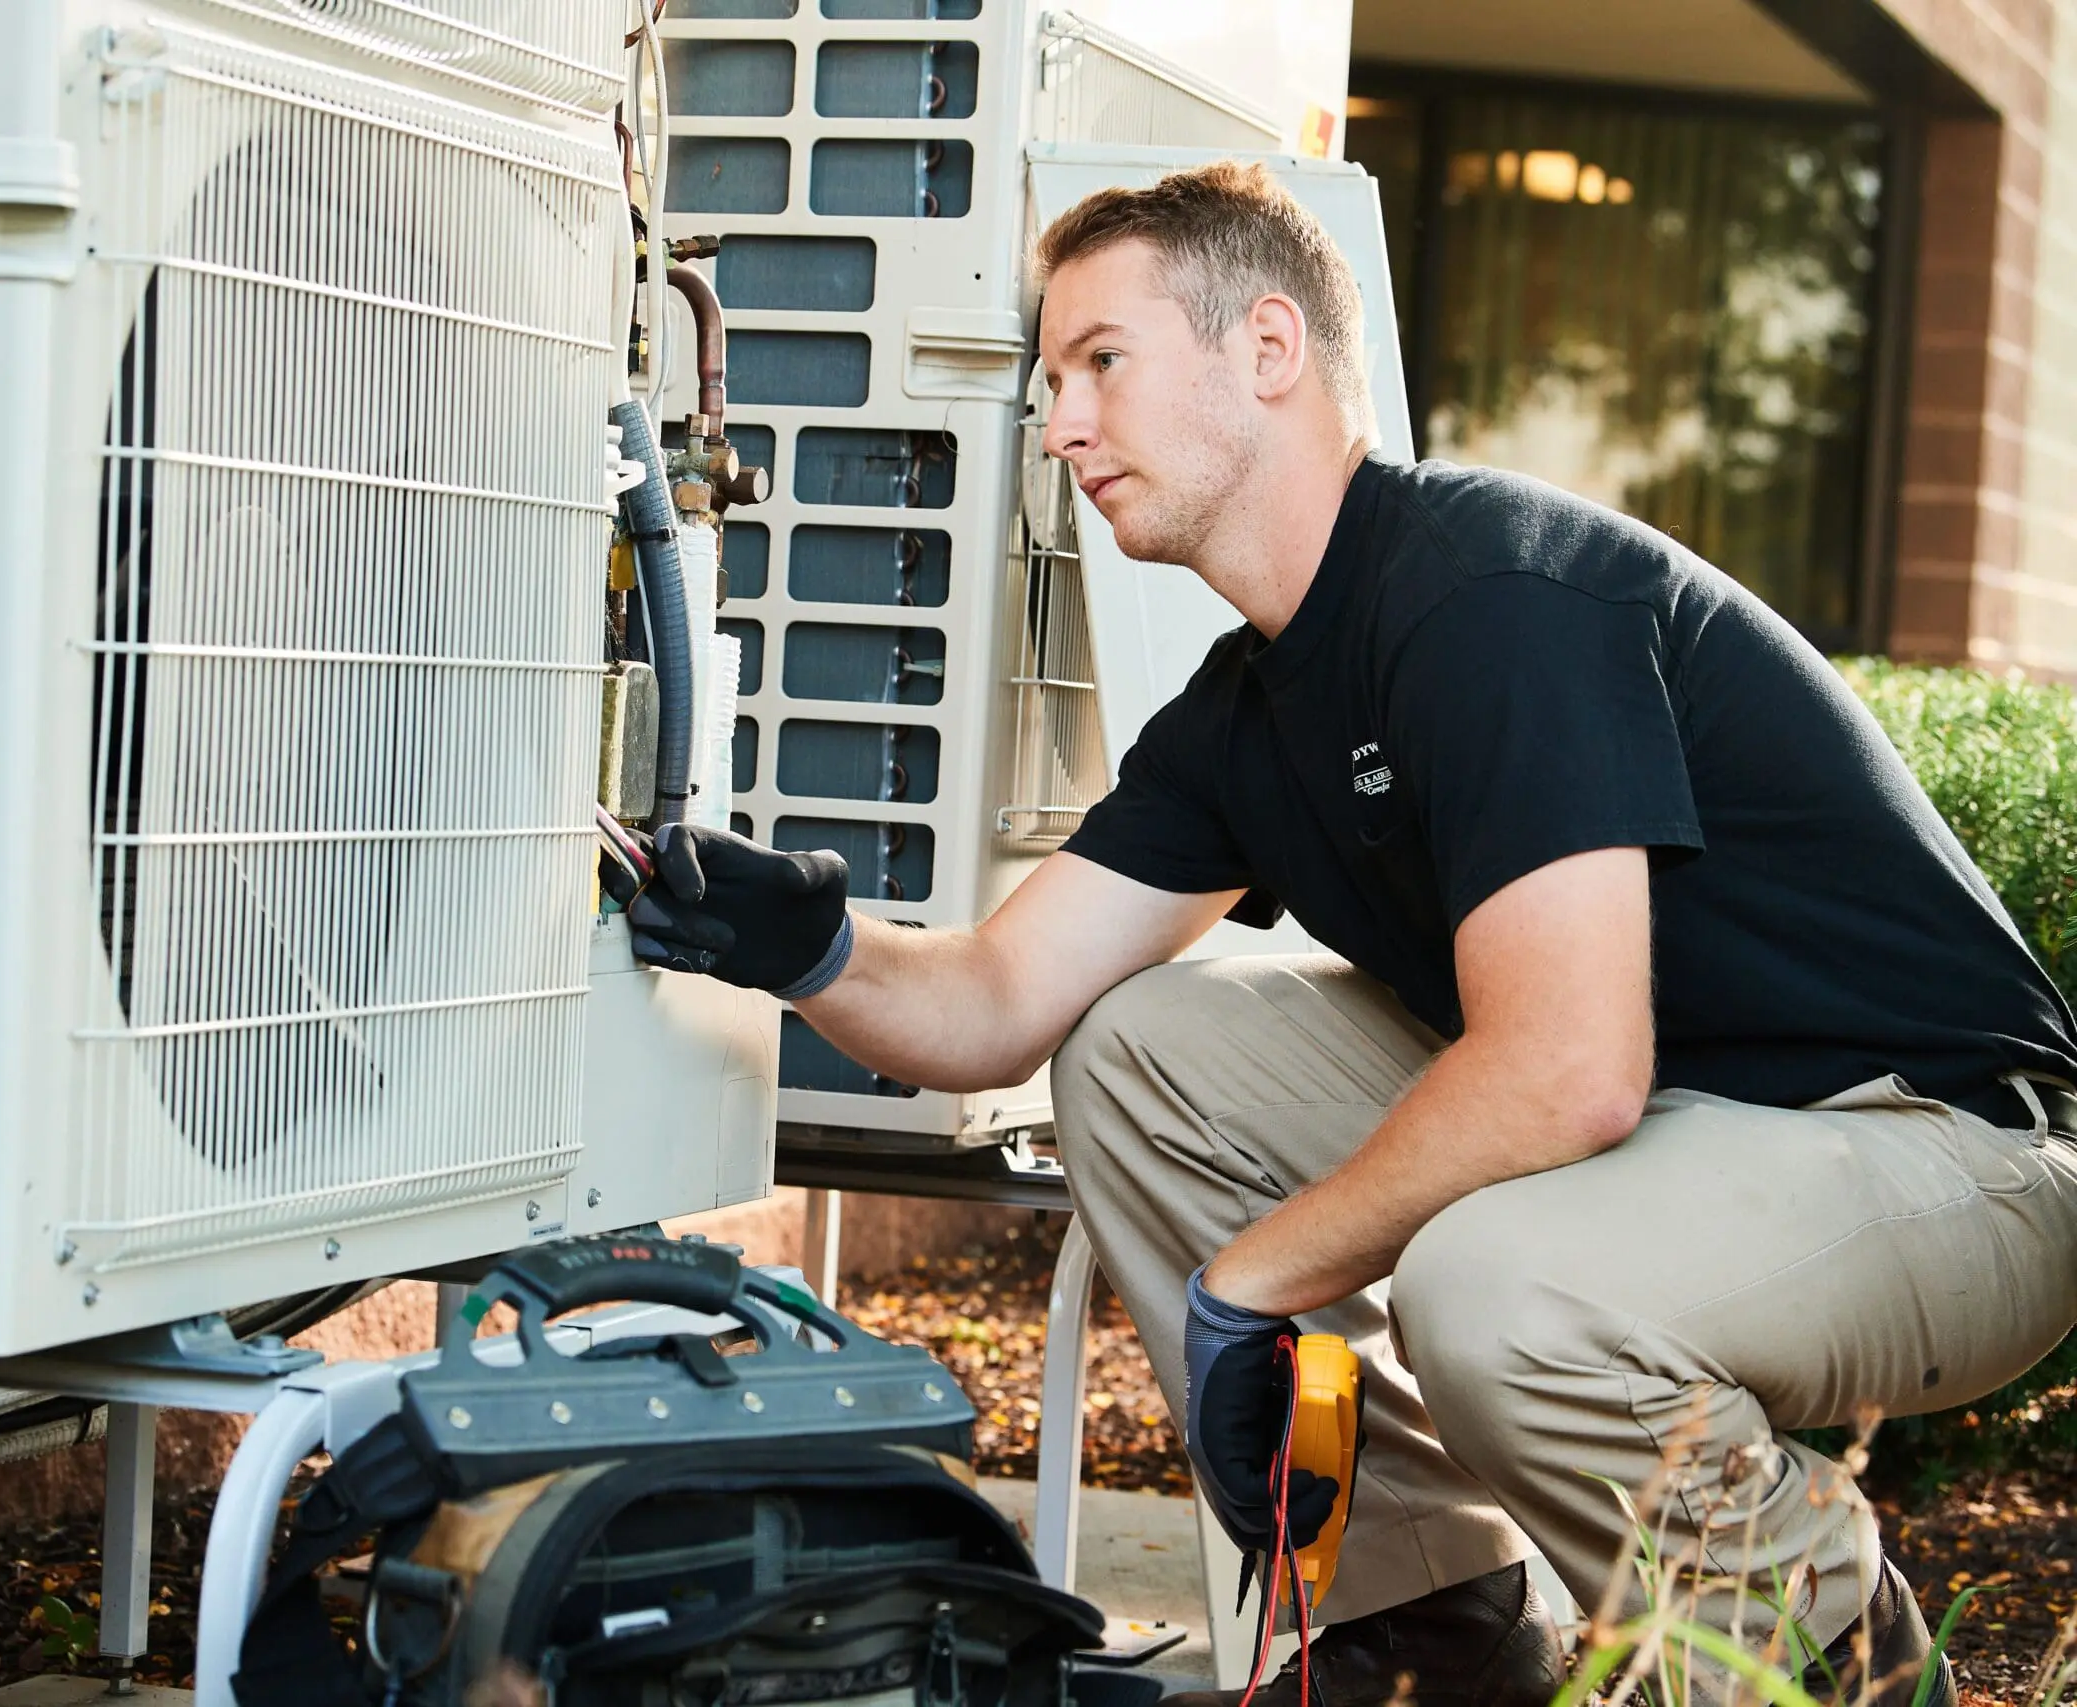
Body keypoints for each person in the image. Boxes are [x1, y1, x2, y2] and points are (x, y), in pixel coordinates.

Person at [614, 159, 2077, 1705]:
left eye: (1099, 362)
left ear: (1268, 349)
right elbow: (995, 1004)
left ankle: (1827, 1660)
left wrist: (1245, 1286)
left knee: (1497, 1290)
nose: (1061, 427)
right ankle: (1426, 1619)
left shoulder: (1491, 593)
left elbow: (1570, 1067)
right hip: (1684, 1131)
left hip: (1947, 1154)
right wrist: (802, 945)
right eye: (1049, 385)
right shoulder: (1249, 705)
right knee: (1136, 1049)